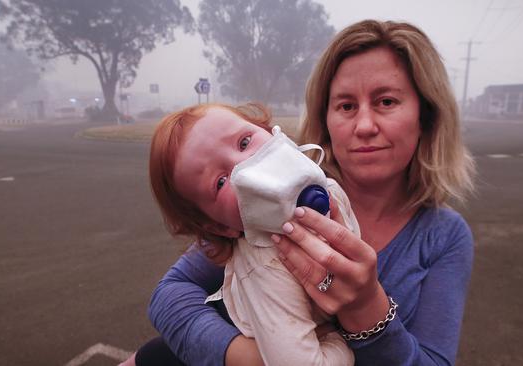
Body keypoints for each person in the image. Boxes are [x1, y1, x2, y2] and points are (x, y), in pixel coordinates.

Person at [128, 19, 475, 366]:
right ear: (325, 119)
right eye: (346, 106)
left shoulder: (443, 236)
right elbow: (168, 296)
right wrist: (244, 357)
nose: (365, 126)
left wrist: (365, 307)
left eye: (386, 101)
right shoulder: (267, 204)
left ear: (425, 115)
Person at [139, 102, 359, 366]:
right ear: (220, 227)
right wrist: (342, 341)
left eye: (244, 142)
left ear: (272, 132)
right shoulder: (264, 266)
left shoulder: (330, 189)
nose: (247, 166)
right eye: (220, 182)